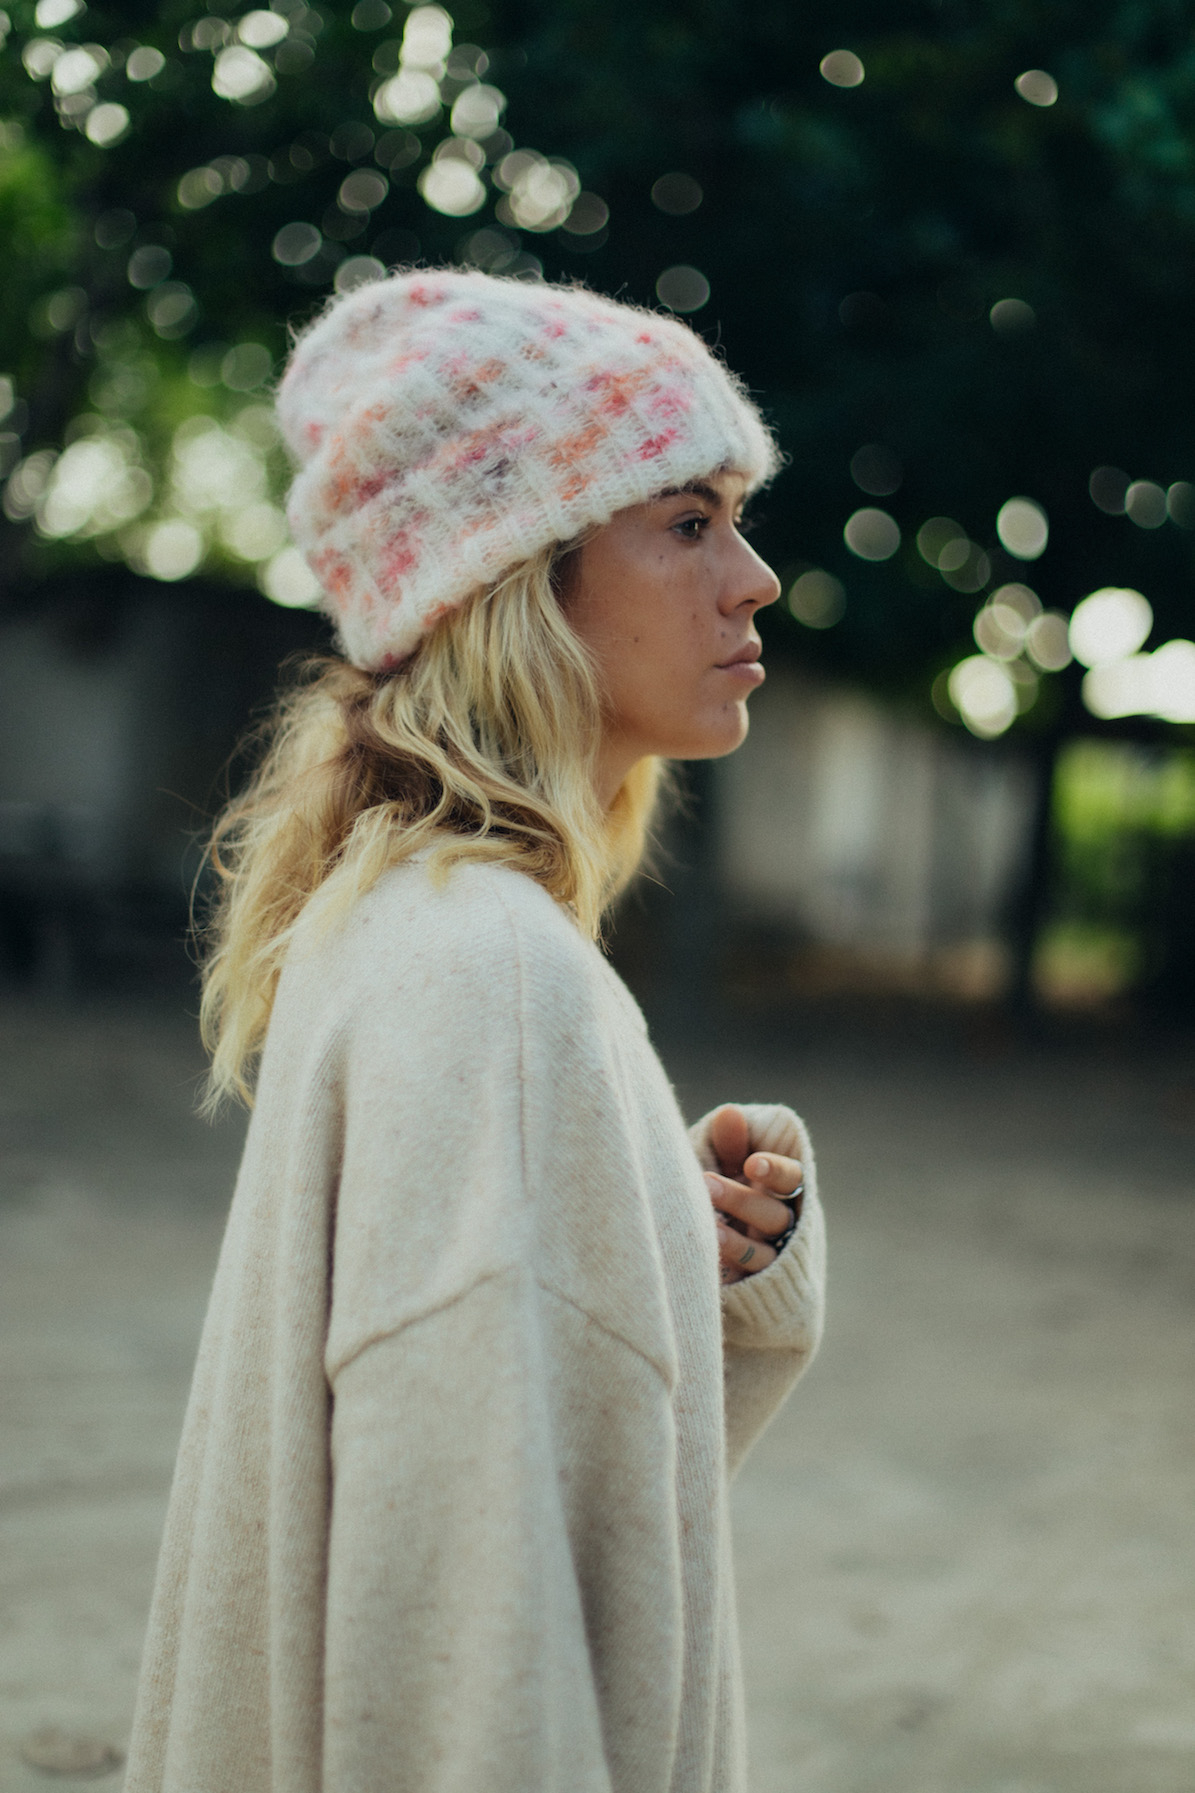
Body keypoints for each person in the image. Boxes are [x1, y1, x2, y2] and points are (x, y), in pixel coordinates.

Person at [125, 270, 826, 1793]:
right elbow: (457, 1647)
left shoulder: (415, 917)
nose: (755, 576)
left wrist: (646, 1234)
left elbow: (543, 1497)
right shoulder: (489, 975)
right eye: (691, 520)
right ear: (521, 573)